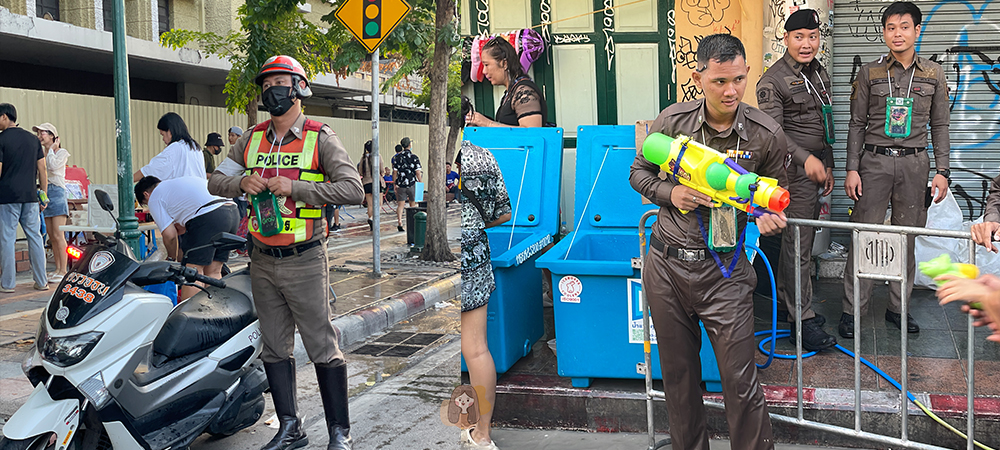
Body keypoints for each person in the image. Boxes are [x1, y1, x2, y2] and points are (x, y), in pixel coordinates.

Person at [629, 34, 788, 449]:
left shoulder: (765, 134)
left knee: (740, 380)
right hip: (666, 266)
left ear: (747, 73)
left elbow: (774, 195)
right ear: (698, 77)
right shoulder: (672, 122)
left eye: (737, 79)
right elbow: (638, 173)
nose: (730, 90)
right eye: (719, 81)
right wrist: (671, 194)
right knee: (679, 379)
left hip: (726, 271)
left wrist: (769, 215)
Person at [207, 55, 363, 450]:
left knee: (321, 345)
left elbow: (353, 190)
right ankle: (290, 427)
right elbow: (214, 181)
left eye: (280, 81)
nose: (271, 89)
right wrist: (243, 182)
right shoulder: (252, 138)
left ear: (299, 88)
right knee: (274, 347)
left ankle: (339, 433)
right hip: (261, 260)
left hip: (306, 260)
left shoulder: (320, 137)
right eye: (266, 83)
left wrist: (296, 189)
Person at [841, 1, 951, 338]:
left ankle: (898, 308)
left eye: (904, 27)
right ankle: (852, 310)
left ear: (917, 30)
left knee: (907, 238)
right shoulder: (870, 72)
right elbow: (857, 124)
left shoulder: (933, 73)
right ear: (884, 33)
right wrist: (852, 168)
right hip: (873, 163)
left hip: (915, 165)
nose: (897, 33)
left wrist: (943, 170)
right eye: (891, 27)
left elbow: (941, 126)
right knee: (864, 233)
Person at [755, 9, 838, 352]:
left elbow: (825, 122)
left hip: (816, 173)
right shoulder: (771, 82)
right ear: (785, 39)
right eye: (799, 37)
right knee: (797, 249)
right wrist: (809, 161)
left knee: (800, 244)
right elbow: (773, 135)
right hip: (791, 174)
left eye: (813, 36)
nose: (807, 44)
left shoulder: (818, 74)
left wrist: (828, 164)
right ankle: (800, 323)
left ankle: (797, 311)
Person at [458, 135, 511, 450]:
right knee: (476, 349)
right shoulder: (481, 157)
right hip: (472, 252)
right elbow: (503, 213)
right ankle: (482, 435)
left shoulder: (431, 148)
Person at [135, 176, 238, 301]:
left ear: (146, 194)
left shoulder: (155, 197)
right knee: (214, 270)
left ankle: (191, 316)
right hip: (231, 211)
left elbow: (170, 236)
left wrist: (172, 259)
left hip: (208, 215)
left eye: (145, 204)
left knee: (193, 272)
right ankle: (214, 312)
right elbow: (184, 223)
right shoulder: (173, 186)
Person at [0, 103, 49, 293]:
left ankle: (8, 284)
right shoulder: (32, 140)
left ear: (5, 116)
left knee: (7, 239)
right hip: (30, 196)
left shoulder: (1, 140)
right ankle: (41, 281)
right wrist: (43, 194)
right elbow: (42, 169)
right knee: (35, 237)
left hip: (7, 197)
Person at [465, 37, 548, 128]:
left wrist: (488, 123)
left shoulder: (524, 92)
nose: (484, 71)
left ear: (504, 64)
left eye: (486, 65)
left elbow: (532, 133)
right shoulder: (511, 92)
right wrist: (479, 122)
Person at [33, 122, 71, 283]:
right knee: (51, 235)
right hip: (45, 192)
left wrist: (50, 150)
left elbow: (53, 166)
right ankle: (57, 268)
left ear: (52, 136)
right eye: (39, 133)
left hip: (57, 192)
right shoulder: (42, 152)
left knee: (58, 234)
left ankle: (64, 270)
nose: (40, 136)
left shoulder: (61, 152)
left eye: (43, 133)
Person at [133, 112, 205, 182]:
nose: (163, 139)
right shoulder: (195, 148)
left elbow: (150, 170)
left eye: (163, 134)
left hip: (185, 192)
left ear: (170, 132)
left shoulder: (176, 148)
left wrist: (129, 180)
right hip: (202, 191)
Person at [391, 137, 422, 232]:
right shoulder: (414, 157)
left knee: (400, 204)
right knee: (413, 203)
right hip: (412, 183)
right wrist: (420, 181)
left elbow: (394, 172)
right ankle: (412, 223)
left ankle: (400, 221)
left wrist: (394, 183)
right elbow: (417, 172)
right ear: (409, 145)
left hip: (401, 184)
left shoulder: (397, 158)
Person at [357, 140, 385, 231]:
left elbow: (360, 171)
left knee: (370, 204)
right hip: (376, 182)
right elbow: (382, 170)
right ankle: (373, 219)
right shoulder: (378, 156)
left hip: (366, 183)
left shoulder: (363, 158)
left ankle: (370, 219)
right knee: (379, 204)